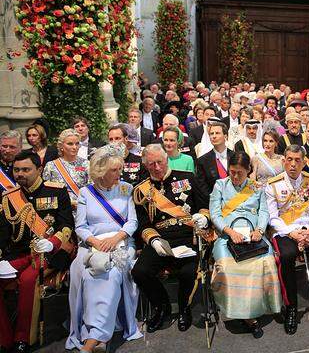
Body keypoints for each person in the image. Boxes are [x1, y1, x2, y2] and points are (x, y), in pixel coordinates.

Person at [66, 145, 142, 352]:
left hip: (121, 242)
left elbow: (132, 222)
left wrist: (117, 237)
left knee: (113, 274)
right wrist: (96, 242)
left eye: (120, 169)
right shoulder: (85, 193)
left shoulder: (126, 188)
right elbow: (80, 226)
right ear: (100, 171)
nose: (120, 174)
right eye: (114, 170)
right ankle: (97, 337)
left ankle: (94, 339)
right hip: (92, 244)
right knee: (90, 275)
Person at [0, 151, 75, 353]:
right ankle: (3, 338)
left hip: (50, 253)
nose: (20, 174)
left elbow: (67, 225)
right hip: (19, 254)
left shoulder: (57, 191)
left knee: (28, 279)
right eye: (16, 170)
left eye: (26, 169)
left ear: (39, 169)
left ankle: (23, 338)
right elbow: (4, 233)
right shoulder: (9, 197)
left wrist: (52, 242)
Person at [131, 144, 205, 333]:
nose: (157, 167)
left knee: (188, 273)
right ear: (145, 165)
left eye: (160, 162)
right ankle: (161, 306)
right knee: (140, 271)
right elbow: (143, 223)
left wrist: (203, 218)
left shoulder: (187, 178)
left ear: (167, 159)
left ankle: (184, 309)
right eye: (151, 164)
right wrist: (154, 240)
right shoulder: (141, 190)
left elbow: (204, 205)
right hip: (160, 239)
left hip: (188, 236)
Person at [209, 152, 282, 338]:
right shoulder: (220, 186)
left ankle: (259, 307)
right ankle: (244, 315)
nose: (235, 177)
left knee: (266, 261)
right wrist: (229, 231)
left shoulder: (256, 187)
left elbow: (264, 211)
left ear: (249, 170)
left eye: (239, 173)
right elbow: (215, 214)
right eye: (232, 172)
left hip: (253, 235)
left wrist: (259, 230)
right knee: (226, 265)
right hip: (227, 235)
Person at [265, 145, 309, 335]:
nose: (293, 164)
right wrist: (292, 233)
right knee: (286, 256)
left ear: (304, 162)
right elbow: (273, 218)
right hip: (286, 231)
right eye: (289, 159)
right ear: (284, 160)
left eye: (298, 160)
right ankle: (291, 307)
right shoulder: (273, 184)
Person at [42, 128, 89, 217]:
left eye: (77, 143)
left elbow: (92, 191)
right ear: (61, 146)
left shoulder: (86, 164)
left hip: (82, 212)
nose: (75, 147)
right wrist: (65, 204)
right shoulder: (51, 166)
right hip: (59, 213)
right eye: (70, 144)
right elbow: (45, 195)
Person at [196, 120, 234, 209]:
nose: (213, 136)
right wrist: (216, 201)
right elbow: (202, 187)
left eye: (217, 133)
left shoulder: (235, 156)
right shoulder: (202, 161)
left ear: (225, 136)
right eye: (211, 134)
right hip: (213, 205)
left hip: (236, 203)